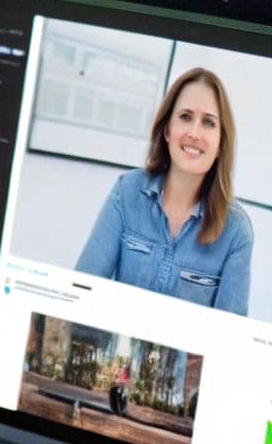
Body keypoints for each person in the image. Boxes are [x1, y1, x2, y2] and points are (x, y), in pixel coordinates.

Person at [74, 68, 253, 315]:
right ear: (167, 129)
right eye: (185, 117)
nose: (194, 133)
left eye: (208, 122)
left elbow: (230, 332)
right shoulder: (127, 191)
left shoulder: (237, 231)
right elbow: (81, 291)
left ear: (221, 143)